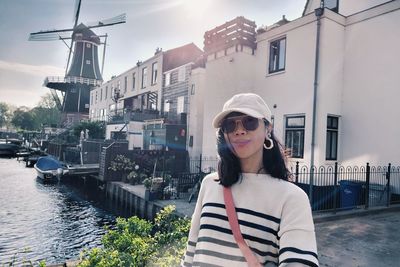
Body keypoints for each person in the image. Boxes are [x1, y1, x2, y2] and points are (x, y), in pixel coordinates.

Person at [182, 93, 318, 266]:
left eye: (250, 122)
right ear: (224, 134)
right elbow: (191, 251)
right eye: (230, 125)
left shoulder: (291, 198)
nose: (239, 130)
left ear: (268, 128)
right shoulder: (210, 184)